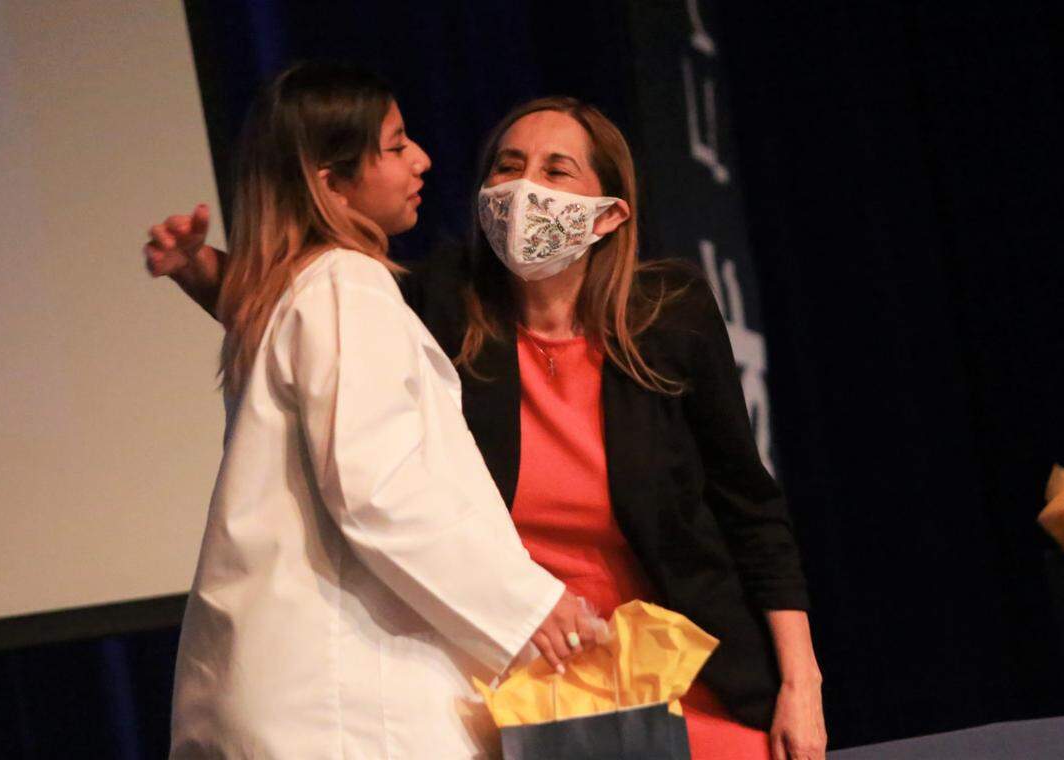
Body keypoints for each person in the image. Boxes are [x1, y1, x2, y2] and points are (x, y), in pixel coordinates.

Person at [149, 94, 826, 760]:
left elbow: (749, 507)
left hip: (678, 666)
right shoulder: (442, 304)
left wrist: (802, 682)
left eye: (556, 171)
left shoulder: (670, 315)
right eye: (508, 166)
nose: (525, 188)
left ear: (609, 213)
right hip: (533, 682)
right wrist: (202, 271)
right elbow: (313, 323)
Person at [162, 62, 598, 760]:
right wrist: (528, 606)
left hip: (295, 695)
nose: (420, 159)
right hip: (344, 707)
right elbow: (378, 488)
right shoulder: (346, 284)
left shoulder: (298, 292)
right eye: (395, 146)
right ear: (331, 183)